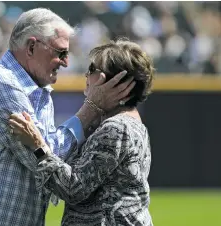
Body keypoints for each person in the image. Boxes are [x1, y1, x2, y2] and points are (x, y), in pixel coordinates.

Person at [0, 8, 135, 226]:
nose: (66, 62)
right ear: (31, 47)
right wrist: (92, 107)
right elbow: (48, 156)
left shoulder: (35, 88)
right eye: (61, 53)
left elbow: (48, 159)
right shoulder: (1, 84)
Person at [9, 39, 155, 226]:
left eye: (93, 70)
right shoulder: (128, 122)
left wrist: (38, 146)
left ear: (118, 83)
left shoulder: (117, 128)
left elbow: (73, 188)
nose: (86, 75)